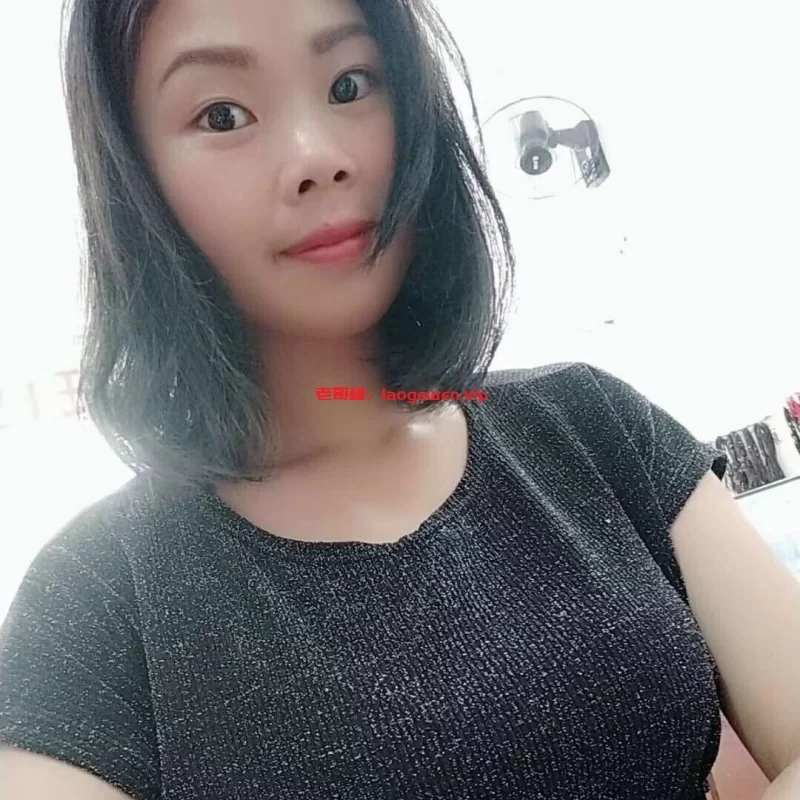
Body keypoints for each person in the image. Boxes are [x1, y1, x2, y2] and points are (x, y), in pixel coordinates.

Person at [1, 0, 799, 797]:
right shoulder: (95, 600)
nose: (317, 157)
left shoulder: (590, 425)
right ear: (137, 180)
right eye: (222, 115)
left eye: (350, 84)